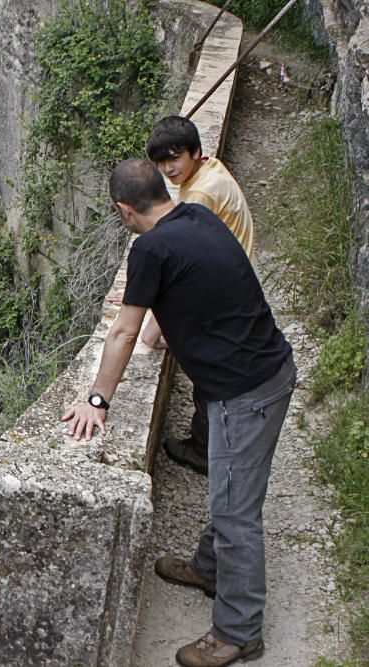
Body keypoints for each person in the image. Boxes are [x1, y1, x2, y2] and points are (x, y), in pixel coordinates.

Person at [62, 159, 295, 667]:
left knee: (237, 514)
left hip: (245, 391)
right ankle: (210, 569)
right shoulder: (197, 216)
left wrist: (97, 400)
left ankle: (239, 631)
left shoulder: (150, 248)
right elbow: (195, 292)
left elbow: (124, 332)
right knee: (231, 489)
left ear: (124, 210)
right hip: (267, 371)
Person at [146, 115, 256, 478]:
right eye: (161, 162)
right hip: (238, 273)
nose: (168, 168)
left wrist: (155, 320)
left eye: (175, 158)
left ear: (196, 152)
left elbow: (181, 261)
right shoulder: (209, 171)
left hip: (225, 291)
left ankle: (204, 451)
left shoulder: (200, 195)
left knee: (206, 371)